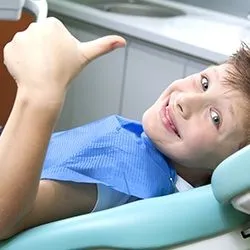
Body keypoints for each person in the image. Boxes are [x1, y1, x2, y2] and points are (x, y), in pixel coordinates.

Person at [0, 17, 249, 239]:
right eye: (204, 83)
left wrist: (39, 94)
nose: (185, 101)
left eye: (215, 118)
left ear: (232, 161)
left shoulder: (122, 184)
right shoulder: (149, 163)